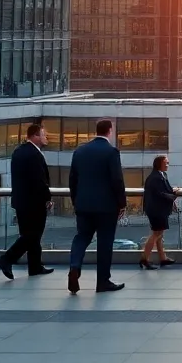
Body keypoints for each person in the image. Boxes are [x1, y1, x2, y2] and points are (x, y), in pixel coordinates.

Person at [67, 119, 127, 294]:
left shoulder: (79, 151)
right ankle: (103, 282)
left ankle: (74, 266)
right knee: (105, 243)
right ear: (110, 131)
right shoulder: (111, 152)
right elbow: (117, 180)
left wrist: (75, 201)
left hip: (83, 205)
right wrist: (122, 203)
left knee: (81, 237)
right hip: (106, 207)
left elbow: (72, 180)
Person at [0, 123, 54, 280]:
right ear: (35, 135)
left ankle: (34, 266)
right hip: (34, 202)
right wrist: (47, 198)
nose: (46, 137)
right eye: (43, 134)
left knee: (29, 234)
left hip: (21, 201)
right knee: (33, 235)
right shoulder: (34, 154)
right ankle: (7, 259)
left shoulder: (19, 151)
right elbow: (39, 180)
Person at [140, 155, 179, 270]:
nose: (167, 165)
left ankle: (163, 258)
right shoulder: (155, 178)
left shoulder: (162, 175)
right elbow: (160, 194)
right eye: (165, 163)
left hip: (159, 209)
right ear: (159, 164)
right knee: (156, 234)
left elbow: (166, 190)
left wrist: (172, 193)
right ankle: (144, 259)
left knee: (159, 234)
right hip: (156, 210)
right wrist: (173, 196)